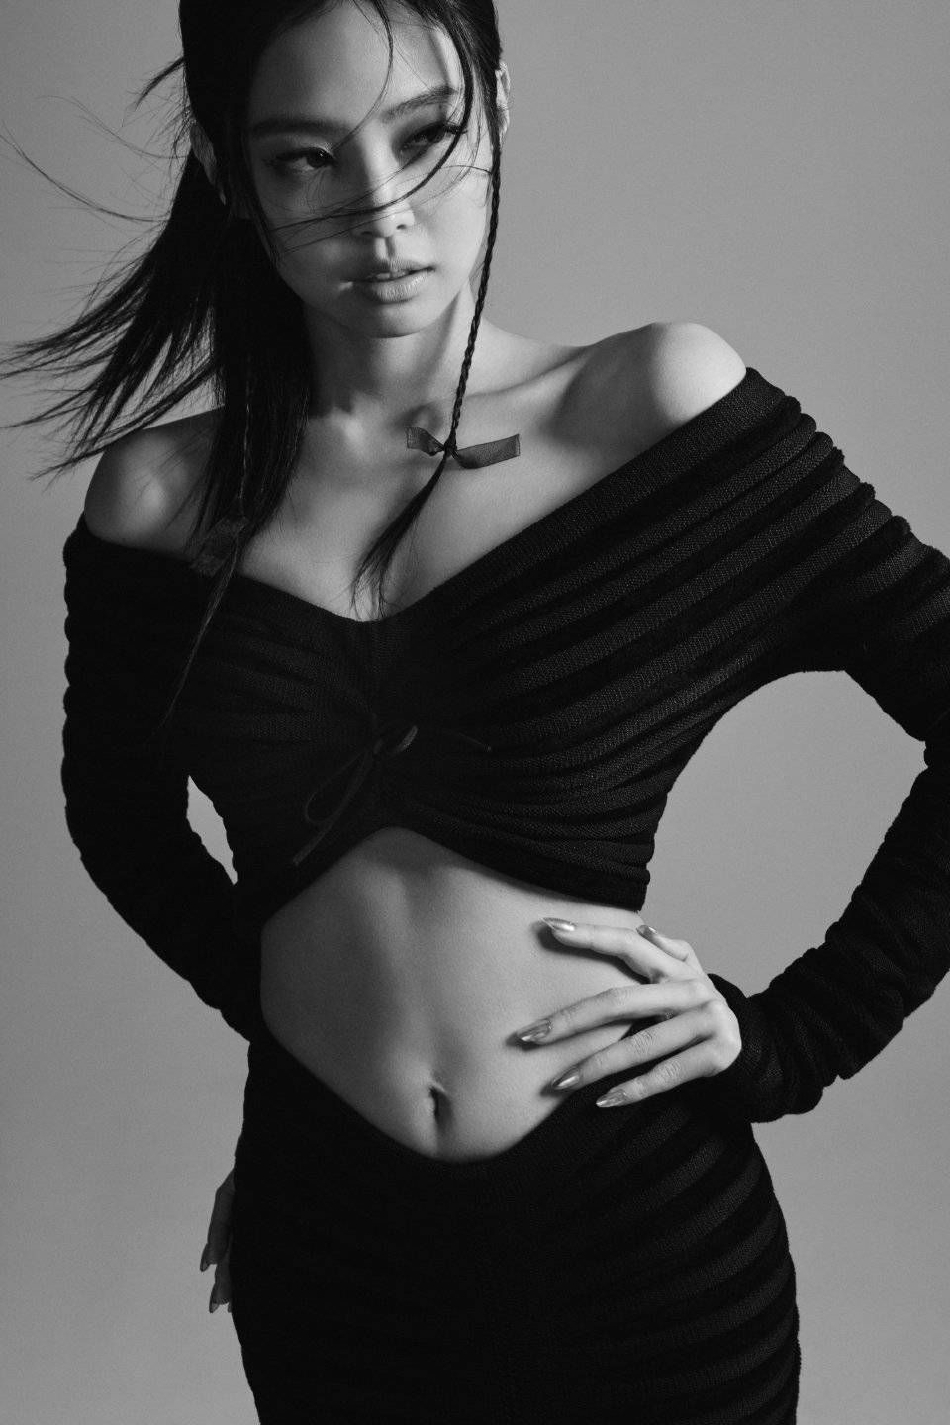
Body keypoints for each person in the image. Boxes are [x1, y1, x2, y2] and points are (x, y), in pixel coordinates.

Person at [6, 1, 950, 1421]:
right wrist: (297, 1026)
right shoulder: (160, 502)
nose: (384, 217)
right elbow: (116, 819)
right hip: (331, 1246)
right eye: (307, 158)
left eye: (426, 136)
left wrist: (798, 1037)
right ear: (225, 170)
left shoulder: (654, 411)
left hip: (643, 1244)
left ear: (497, 106)